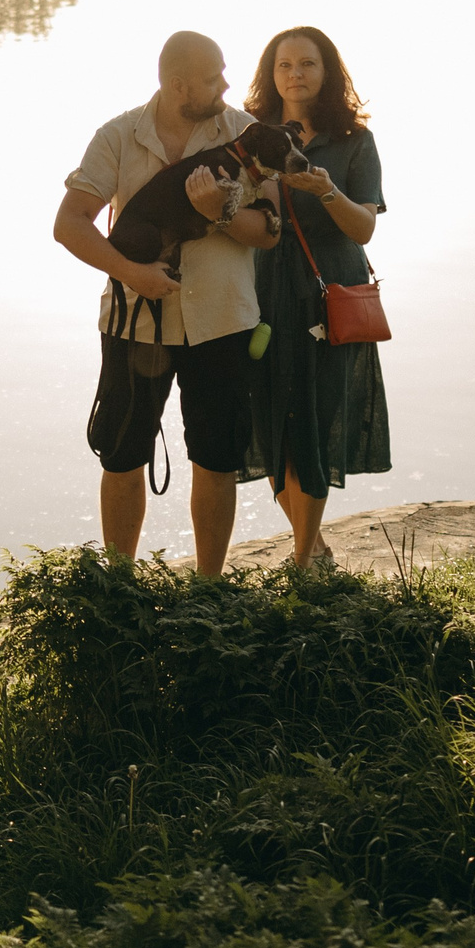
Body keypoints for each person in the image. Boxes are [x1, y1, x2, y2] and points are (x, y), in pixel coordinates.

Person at [55, 30, 281, 574]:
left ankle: (208, 590)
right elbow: (68, 224)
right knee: (123, 452)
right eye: (213, 78)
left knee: (216, 457)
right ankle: (119, 584)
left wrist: (221, 212)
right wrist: (132, 272)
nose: (226, 85)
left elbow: (270, 232)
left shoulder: (247, 134)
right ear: (179, 85)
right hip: (135, 322)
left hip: (222, 321)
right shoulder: (117, 135)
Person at [240, 26, 389, 566]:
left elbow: (364, 228)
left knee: (314, 425)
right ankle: (315, 548)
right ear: (270, 73)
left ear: (326, 72)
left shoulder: (353, 140)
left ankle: (302, 561)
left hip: (328, 294)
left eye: (307, 64)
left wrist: (326, 190)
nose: (295, 75)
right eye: (284, 65)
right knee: (269, 424)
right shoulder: (248, 133)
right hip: (260, 294)